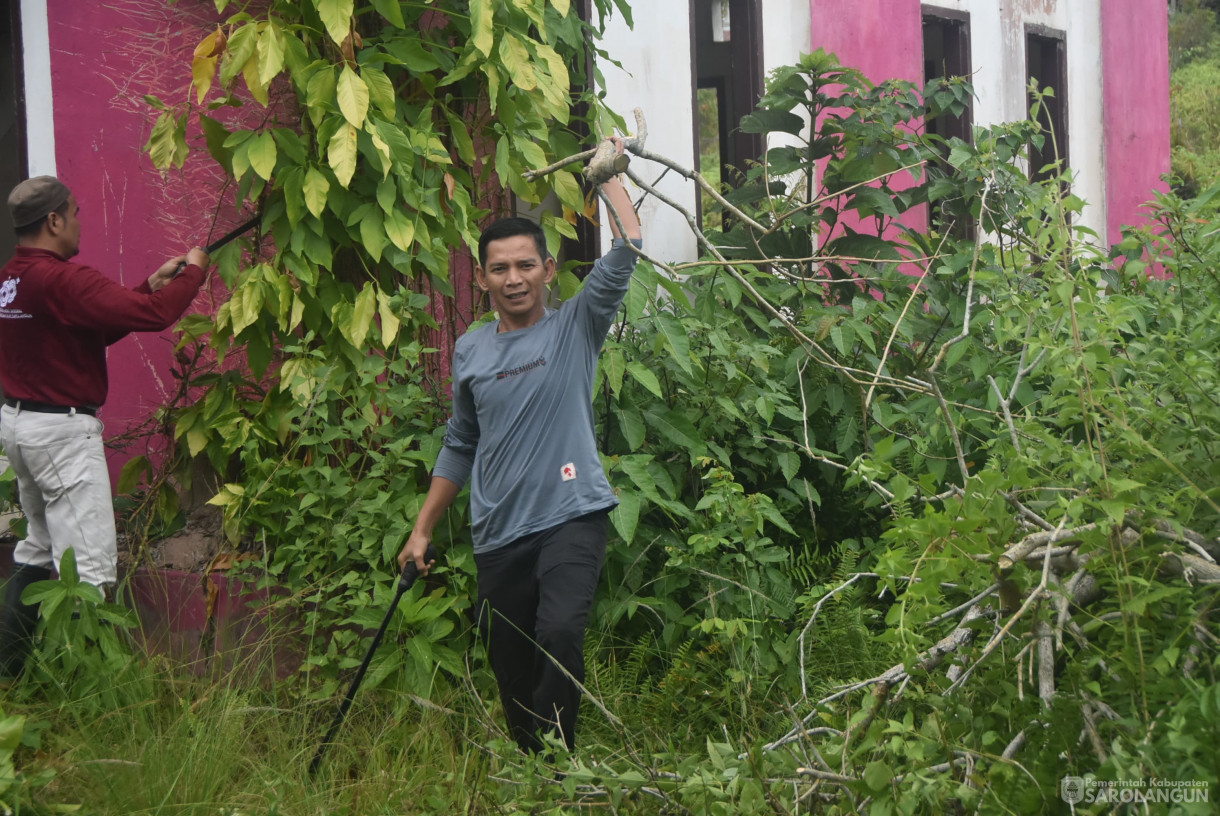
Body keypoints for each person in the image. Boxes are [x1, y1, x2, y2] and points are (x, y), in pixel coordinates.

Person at [398, 138, 642, 754]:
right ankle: (536, 772)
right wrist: (423, 530)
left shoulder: (575, 325)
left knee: (560, 632)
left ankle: (560, 770)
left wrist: (609, 175)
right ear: (482, 278)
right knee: (510, 669)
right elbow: (460, 444)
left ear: (548, 271)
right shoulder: (471, 350)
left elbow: (629, 246)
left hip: (571, 516)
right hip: (499, 533)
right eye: (500, 268)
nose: (514, 279)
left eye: (526, 265)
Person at [0, 175, 211, 677]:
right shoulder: (64, 279)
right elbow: (156, 317)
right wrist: (193, 274)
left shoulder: (12, 279)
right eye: (74, 213)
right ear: (53, 221)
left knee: (37, 547)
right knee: (91, 571)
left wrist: (146, 285)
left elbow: (84, 327)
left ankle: (10, 671)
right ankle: (88, 694)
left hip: (20, 427)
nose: (78, 222)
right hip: (62, 438)